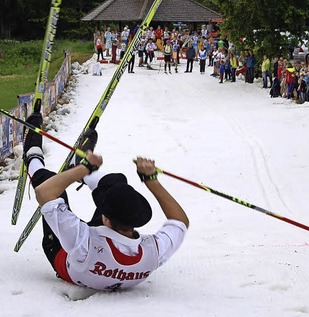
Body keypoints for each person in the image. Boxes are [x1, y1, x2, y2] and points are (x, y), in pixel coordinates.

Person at [21, 112, 189, 292]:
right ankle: (84, 171)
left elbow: (44, 193)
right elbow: (180, 221)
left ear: (105, 219)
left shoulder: (83, 240)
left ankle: (33, 156)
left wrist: (83, 169)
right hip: (98, 247)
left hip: (64, 253)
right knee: (118, 184)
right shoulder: (151, 252)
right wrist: (151, 180)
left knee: (51, 184)